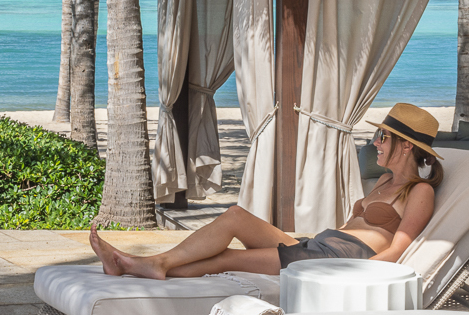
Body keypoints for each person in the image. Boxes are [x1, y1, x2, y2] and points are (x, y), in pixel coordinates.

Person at [90, 102, 446, 279]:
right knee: (235, 216)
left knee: (227, 260)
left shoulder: (420, 192)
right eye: (377, 135)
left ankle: (150, 265)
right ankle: (150, 263)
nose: (375, 143)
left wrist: (349, 277)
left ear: (406, 147)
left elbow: (399, 249)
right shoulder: (384, 181)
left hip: (338, 261)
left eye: (382, 137)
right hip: (320, 247)